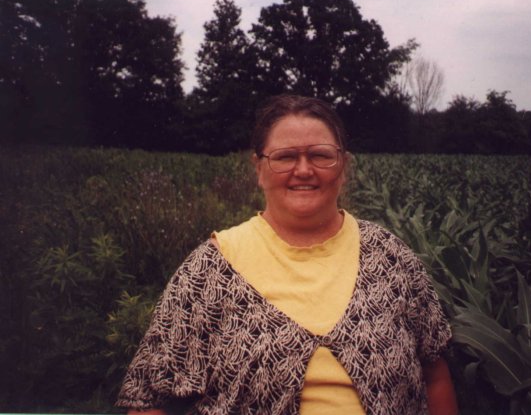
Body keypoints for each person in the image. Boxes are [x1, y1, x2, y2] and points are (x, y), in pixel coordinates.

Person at [116, 94, 458, 415]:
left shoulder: (390, 257)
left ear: (344, 166)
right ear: (258, 169)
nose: (304, 170)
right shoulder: (211, 268)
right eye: (285, 157)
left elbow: (435, 375)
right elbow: (149, 399)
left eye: (321, 155)